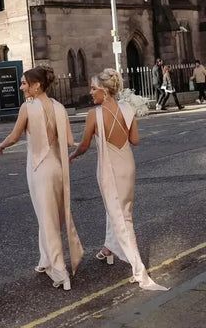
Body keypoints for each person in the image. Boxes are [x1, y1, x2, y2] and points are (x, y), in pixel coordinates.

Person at [69, 69, 167, 291]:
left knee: (122, 218)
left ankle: (138, 269)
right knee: (121, 209)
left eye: (93, 89)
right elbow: (135, 140)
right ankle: (109, 247)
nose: (90, 92)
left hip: (110, 169)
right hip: (128, 166)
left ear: (104, 91)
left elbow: (84, 145)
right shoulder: (127, 108)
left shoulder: (94, 114)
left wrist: (73, 155)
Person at [0, 66, 83, 291]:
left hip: (38, 168)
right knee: (50, 214)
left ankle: (60, 271)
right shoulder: (59, 107)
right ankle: (45, 259)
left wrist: (1, 144)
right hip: (56, 166)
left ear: (36, 85)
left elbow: (15, 136)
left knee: (47, 219)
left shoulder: (28, 107)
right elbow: (70, 141)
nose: (21, 86)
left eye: (24, 83)